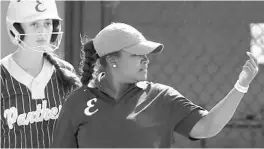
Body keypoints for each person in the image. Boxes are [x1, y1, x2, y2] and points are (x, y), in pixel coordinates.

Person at [51, 22, 259, 148]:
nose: (146, 60)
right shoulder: (77, 103)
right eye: (137, 55)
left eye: (146, 55)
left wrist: (240, 86)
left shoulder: (163, 97)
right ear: (113, 60)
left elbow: (208, 126)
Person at [1, 0, 81, 148]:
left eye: (47, 23)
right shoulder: (2, 77)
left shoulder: (65, 71)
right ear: (16, 28)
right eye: (34, 24)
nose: (43, 31)